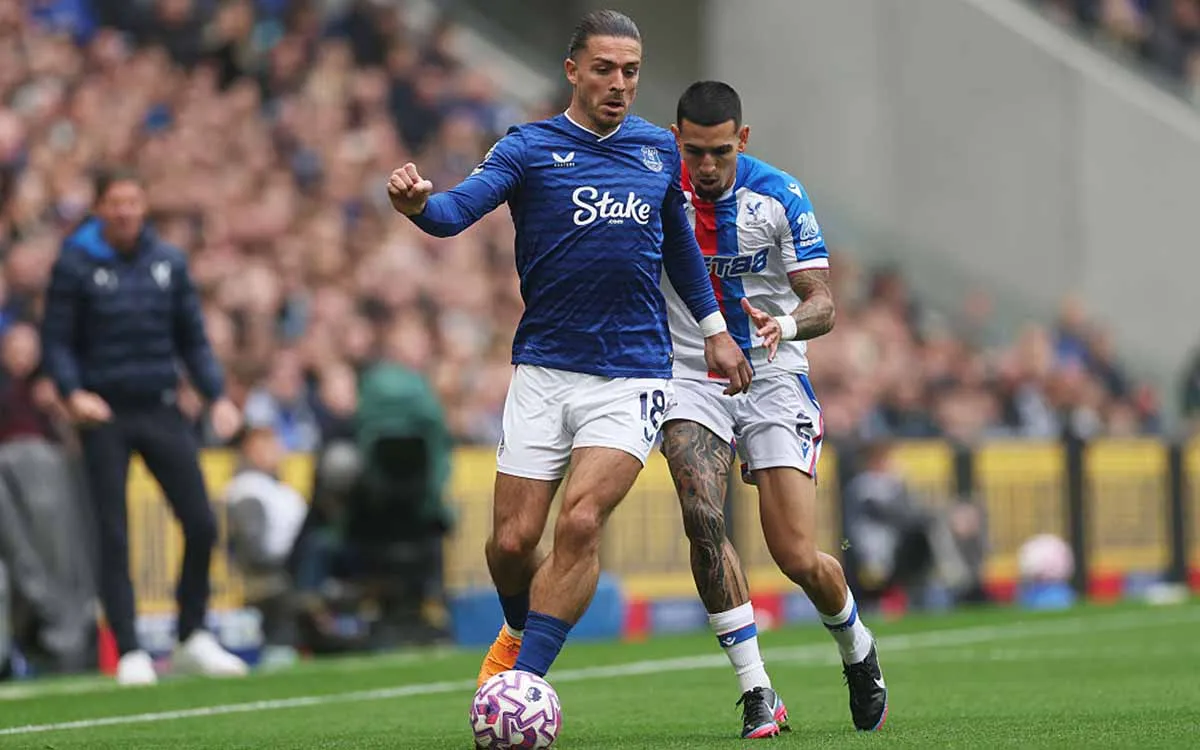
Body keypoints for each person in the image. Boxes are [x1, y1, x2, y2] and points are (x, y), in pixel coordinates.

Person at [387, 10, 751, 688]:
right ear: (574, 71)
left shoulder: (656, 150)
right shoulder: (527, 149)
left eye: (632, 72)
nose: (620, 83)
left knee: (581, 520)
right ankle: (519, 625)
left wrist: (715, 332)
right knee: (511, 544)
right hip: (545, 370)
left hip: (632, 375)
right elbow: (455, 213)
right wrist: (416, 206)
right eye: (606, 69)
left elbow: (678, 247)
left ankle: (524, 681)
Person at [659, 81, 887, 737]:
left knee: (796, 555)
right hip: (688, 375)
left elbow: (824, 303)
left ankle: (856, 648)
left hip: (773, 376)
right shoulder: (657, 192)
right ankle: (756, 688)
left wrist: (783, 326)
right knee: (702, 512)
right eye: (695, 152)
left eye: (720, 152)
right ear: (678, 141)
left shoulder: (779, 195)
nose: (706, 166)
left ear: (743, 140)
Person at [39, 168, 248, 685]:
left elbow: (192, 339)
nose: (126, 211)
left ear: (144, 206)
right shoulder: (75, 263)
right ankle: (129, 648)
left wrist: (216, 394)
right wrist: (73, 394)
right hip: (103, 414)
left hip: (160, 406)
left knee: (200, 521)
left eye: (134, 202)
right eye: (116, 203)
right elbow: (57, 341)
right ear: (100, 208)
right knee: (114, 532)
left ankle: (192, 634)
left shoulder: (168, 262)